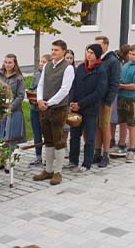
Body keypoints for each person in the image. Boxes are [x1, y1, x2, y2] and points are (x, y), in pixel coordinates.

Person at [33, 41, 75, 185]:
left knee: (59, 140)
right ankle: (48, 169)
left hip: (58, 109)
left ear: (64, 51)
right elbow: (41, 84)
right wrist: (39, 99)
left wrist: (49, 103)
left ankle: (58, 171)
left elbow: (64, 90)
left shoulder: (68, 68)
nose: (53, 52)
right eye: (52, 49)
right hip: (44, 108)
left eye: (56, 50)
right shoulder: (47, 65)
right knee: (48, 139)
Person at [68, 44, 109, 172]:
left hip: (90, 108)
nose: (88, 55)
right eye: (87, 52)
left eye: (91, 53)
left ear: (97, 55)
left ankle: (87, 162)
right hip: (76, 107)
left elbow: (99, 92)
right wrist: (72, 102)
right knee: (74, 135)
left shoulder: (101, 70)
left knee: (90, 137)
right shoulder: (81, 68)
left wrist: (81, 103)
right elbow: (73, 86)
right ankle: (73, 160)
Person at [91, 36, 120, 168]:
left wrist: (109, 101)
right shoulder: (99, 60)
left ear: (106, 45)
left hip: (107, 99)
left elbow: (114, 82)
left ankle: (106, 154)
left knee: (105, 126)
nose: (97, 47)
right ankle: (97, 152)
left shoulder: (112, 61)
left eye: (99, 45)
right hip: (97, 98)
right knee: (98, 126)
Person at [116, 45, 135, 163]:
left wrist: (122, 86)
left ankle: (131, 148)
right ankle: (121, 145)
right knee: (122, 122)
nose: (131, 56)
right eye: (130, 54)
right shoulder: (125, 65)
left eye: (133, 54)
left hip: (132, 98)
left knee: (131, 124)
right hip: (121, 97)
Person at [0, 54, 26, 147]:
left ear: (14, 64)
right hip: (0, 110)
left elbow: (20, 95)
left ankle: (10, 157)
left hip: (13, 111)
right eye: (6, 62)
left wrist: (10, 108)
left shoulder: (19, 78)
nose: (7, 65)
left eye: (10, 62)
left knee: (10, 138)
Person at [26, 54, 50, 167]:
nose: (41, 63)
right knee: (36, 133)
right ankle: (38, 156)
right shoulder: (36, 74)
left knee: (47, 133)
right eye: (41, 61)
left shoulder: (50, 75)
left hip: (45, 108)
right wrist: (31, 93)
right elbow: (31, 86)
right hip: (34, 107)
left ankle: (48, 157)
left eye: (44, 62)